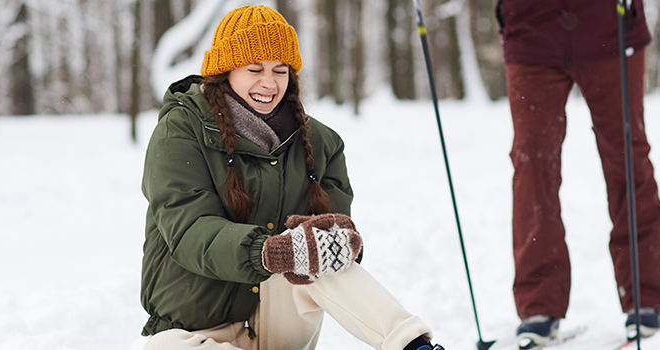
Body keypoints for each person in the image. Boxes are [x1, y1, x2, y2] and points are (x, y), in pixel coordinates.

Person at [139, 6, 444, 350]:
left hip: (279, 324)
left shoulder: (320, 143)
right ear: (225, 71)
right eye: (254, 69)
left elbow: (333, 246)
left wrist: (340, 242)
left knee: (319, 249)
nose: (269, 83)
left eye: (280, 70)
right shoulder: (181, 130)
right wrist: (269, 252)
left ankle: (412, 345)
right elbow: (188, 230)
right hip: (194, 330)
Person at [494, 0, 660, 346]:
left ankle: (644, 295)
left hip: (610, 26)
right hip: (531, 32)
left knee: (626, 157)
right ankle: (538, 306)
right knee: (533, 167)